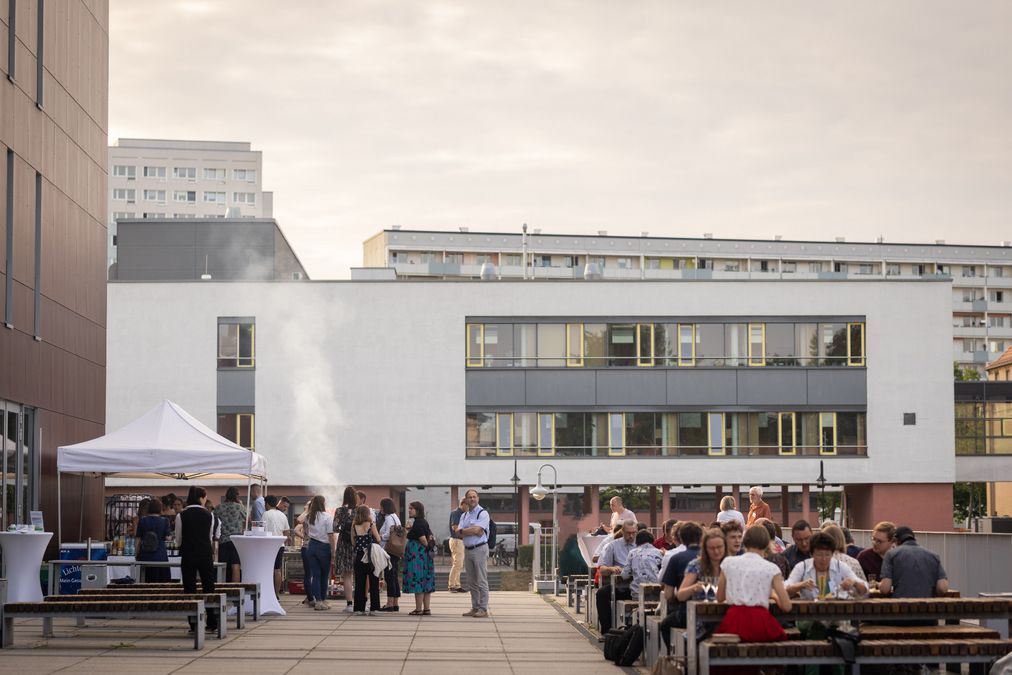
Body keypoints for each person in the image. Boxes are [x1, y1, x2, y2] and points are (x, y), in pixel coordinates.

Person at [716, 525, 792, 650]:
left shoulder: (728, 563)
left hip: (734, 619)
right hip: (760, 620)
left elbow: (719, 597)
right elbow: (787, 606)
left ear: (744, 541)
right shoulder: (772, 568)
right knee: (774, 650)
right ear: (767, 543)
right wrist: (772, 595)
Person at [664, 527, 726, 651]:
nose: (716, 551)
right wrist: (693, 588)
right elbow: (680, 595)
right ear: (705, 549)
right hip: (701, 619)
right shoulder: (696, 565)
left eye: (719, 547)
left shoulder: (730, 564)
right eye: (712, 548)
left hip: (725, 615)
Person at [174, 486, 218, 633]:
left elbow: (178, 539)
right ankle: (211, 622)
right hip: (205, 554)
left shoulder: (181, 515)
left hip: (188, 553)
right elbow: (210, 536)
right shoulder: (209, 515)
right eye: (205, 497)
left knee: (189, 588)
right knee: (209, 586)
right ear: (201, 498)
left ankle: (193, 624)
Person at [786, 531, 867, 599]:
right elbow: (785, 588)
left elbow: (865, 590)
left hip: (837, 615)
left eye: (827, 554)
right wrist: (801, 585)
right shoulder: (802, 567)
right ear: (811, 554)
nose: (824, 559)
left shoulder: (840, 566)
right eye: (819, 555)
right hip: (809, 615)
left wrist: (854, 583)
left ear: (833, 553)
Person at [878, 526, 948, 599]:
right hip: (927, 606)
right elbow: (942, 588)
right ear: (914, 538)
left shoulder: (891, 554)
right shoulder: (933, 556)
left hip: (900, 606)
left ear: (896, 540)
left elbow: (885, 589)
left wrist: (879, 585)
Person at [595, 519, 637, 636]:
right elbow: (602, 568)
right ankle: (607, 630)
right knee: (601, 594)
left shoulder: (640, 544)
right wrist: (611, 569)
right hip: (619, 586)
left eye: (634, 532)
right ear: (622, 531)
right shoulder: (612, 545)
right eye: (629, 533)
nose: (631, 535)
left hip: (637, 585)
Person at [659, 521, 703, 634]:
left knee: (664, 625)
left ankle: (670, 651)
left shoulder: (675, 558)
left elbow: (668, 595)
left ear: (681, 538)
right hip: (708, 611)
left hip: (685, 612)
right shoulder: (709, 555)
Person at [458, 488, 491, 618]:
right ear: (466, 500)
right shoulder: (464, 515)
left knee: (481, 580)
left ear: (478, 498)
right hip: (468, 549)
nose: (472, 499)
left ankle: (483, 609)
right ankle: (475, 607)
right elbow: (457, 532)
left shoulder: (482, 514)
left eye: (474, 496)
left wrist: (464, 530)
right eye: (470, 497)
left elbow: (478, 531)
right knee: (471, 581)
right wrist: (469, 530)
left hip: (480, 549)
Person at [403, 501, 435, 615]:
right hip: (424, 556)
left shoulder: (418, 523)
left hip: (418, 555)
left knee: (418, 580)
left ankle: (418, 609)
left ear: (418, 510)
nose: (409, 510)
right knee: (426, 581)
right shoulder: (423, 522)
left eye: (411, 508)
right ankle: (426, 609)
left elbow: (422, 539)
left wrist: (427, 547)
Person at [304, 495, 335, 610]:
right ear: (323, 504)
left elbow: (306, 531)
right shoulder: (327, 517)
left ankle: (318, 601)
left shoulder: (308, 517)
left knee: (315, 575)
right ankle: (323, 599)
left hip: (311, 545)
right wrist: (334, 551)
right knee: (324, 575)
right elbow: (331, 535)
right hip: (323, 546)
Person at [350, 504, 381, 615]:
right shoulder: (371, 524)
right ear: (368, 513)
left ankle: (359, 608)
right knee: (374, 582)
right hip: (371, 556)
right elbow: (378, 538)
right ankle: (374, 608)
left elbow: (353, 542)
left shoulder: (354, 525)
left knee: (359, 583)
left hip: (359, 556)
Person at [332, 486, 357, 612]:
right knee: (359, 574)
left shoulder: (339, 510)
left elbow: (335, 528)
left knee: (347, 575)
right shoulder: (360, 510)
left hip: (343, 544)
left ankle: (349, 604)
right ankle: (362, 602)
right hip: (356, 544)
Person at [136, 498, 171, 582]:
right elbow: (167, 538)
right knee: (161, 581)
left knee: (145, 579)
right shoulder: (165, 521)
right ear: (160, 508)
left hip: (145, 554)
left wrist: (136, 553)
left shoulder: (142, 520)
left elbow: (138, 539)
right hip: (160, 554)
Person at [216, 487, 247, 582]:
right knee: (236, 566)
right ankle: (236, 591)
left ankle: (222, 589)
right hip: (237, 540)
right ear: (236, 496)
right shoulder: (240, 507)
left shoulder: (219, 507)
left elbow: (214, 521)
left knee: (222, 566)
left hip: (223, 540)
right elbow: (247, 518)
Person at [377, 497, 402, 611]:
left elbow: (388, 533)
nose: (380, 508)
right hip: (396, 550)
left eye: (381, 506)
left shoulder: (388, 518)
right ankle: (395, 603)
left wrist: (379, 536)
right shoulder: (395, 517)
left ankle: (390, 603)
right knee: (394, 576)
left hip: (389, 550)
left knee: (389, 576)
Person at [622, 530, 663, 596]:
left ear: (637, 541)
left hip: (638, 593)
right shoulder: (659, 552)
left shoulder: (632, 553)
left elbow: (625, 575)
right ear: (652, 540)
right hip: (657, 592)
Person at [264, 495, 291, 595]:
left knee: (268, 569)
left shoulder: (265, 514)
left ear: (266, 504)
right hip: (280, 545)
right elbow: (287, 532)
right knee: (277, 570)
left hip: (268, 545)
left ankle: (269, 593)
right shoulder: (282, 515)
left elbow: (262, 529)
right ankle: (276, 594)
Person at [294, 500, 314, 607]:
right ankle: (311, 597)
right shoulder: (306, 517)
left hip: (311, 547)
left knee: (312, 574)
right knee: (309, 574)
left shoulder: (316, 517)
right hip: (307, 547)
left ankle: (312, 596)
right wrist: (307, 510)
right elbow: (297, 524)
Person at [447, 498, 467, 592]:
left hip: (459, 540)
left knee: (459, 564)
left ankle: (457, 585)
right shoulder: (456, 513)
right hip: (456, 540)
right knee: (457, 563)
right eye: (467, 505)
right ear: (462, 504)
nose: (468, 508)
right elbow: (455, 527)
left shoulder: (462, 513)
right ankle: (452, 585)